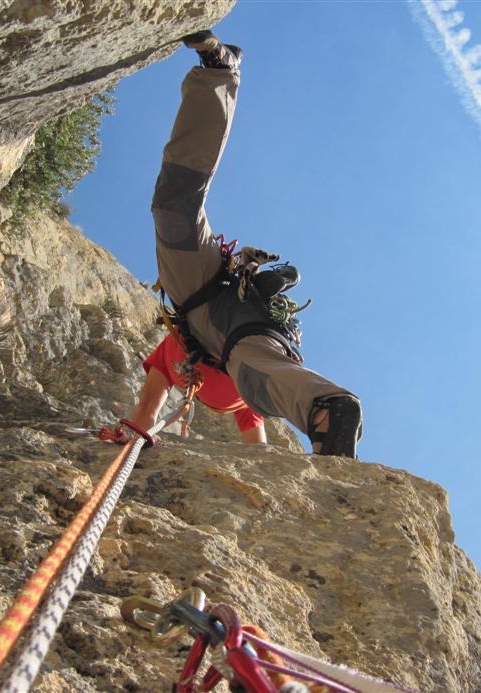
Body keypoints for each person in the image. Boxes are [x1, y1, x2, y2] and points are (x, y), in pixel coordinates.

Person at [149, 30, 363, 457]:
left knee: (173, 211)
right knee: (255, 373)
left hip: (203, 298)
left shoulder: (179, 359)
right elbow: (257, 448)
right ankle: (326, 408)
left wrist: (139, 432)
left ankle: (328, 408)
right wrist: (140, 431)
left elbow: (150, 400)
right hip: (233, 326)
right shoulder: (243, 393)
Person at [127, 332, 267, 444]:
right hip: (233, 385)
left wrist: (139, 437)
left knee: (148, 406)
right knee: (250, 405)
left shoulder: (169, 350)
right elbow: (258, 447)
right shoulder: (247, 392)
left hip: (181, 348)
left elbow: (147, 407)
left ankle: (137, 445)